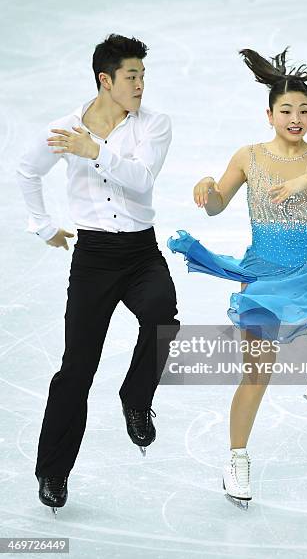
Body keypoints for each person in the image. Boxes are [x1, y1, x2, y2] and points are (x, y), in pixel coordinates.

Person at [167, 46, 307, 509]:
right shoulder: (249, 157)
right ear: (269, 114)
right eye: (287, 110)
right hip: (267, 279)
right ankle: (236, 459)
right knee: (258, 375)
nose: (296, 118)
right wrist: (209, 185)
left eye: (304, 110)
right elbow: (215, 207)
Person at [16, 33, 180, 515]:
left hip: (140, 253)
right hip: (93, 260)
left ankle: (135, 396)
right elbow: (28, 170)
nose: (141, 85)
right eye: (132, 76)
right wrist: (43, 225)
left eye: (144, 75)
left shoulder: (155, 125)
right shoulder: (65, 129)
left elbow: (141, 178)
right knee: (77, 367)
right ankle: (52, 470)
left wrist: (95, 151)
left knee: (163, 314)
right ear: (105, 80)